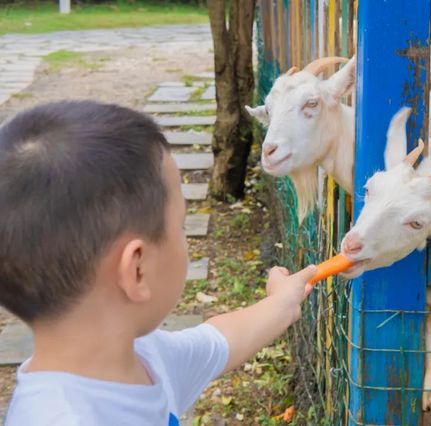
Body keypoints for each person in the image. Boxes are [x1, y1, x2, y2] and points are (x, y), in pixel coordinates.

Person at [0, 100, 316, 425]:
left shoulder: (137, 356)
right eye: (180, 226)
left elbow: (217, 342)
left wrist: (283, 302)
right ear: (137, 270)